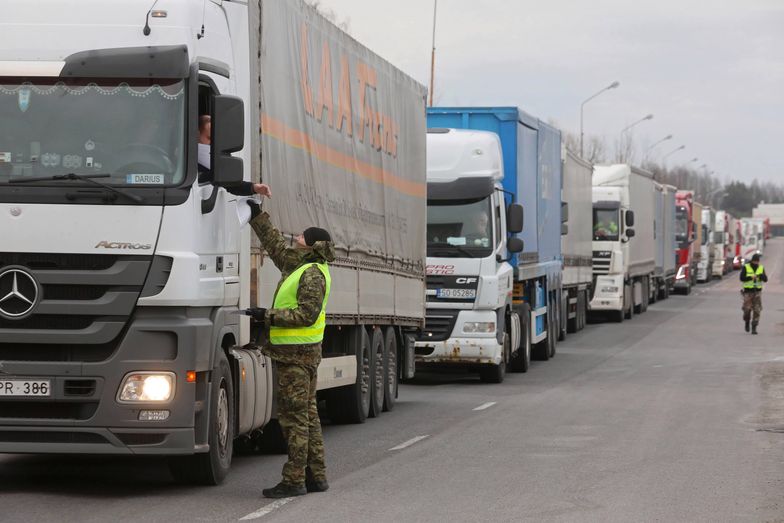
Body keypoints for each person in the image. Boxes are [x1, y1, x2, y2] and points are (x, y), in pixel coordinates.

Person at [245, 198, 334, 499]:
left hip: (297, 355)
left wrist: (265, 316)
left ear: (310, 245)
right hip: (299, 354)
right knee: (307, 415)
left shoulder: (311, 275)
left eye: (300, 238)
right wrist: (258, 216)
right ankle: (316, 475)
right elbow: (276, 248)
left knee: (294, 420)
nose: (294, 239)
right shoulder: (302, 265)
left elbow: (305, 314)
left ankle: (294, 479)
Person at [197, 114, 268, 197]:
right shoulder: (182, 157)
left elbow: (230, 183)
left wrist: (254, 188)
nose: (212, 143)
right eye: (209, 138)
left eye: (215, 139)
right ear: (196, 134)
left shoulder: (219, 156)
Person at [739, 253, 767, 334]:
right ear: (752, 261)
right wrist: (751, 277)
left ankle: (754, 327)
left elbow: (765, 279)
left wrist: (761, 276)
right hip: (748, 292)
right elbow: (742, 278)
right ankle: (747, 322)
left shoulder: (761, 268)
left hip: (757, 292)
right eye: (754, 261)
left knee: (757, 310)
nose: (756, 263)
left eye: (757, 262)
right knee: (747, 310)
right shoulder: (746, 267)